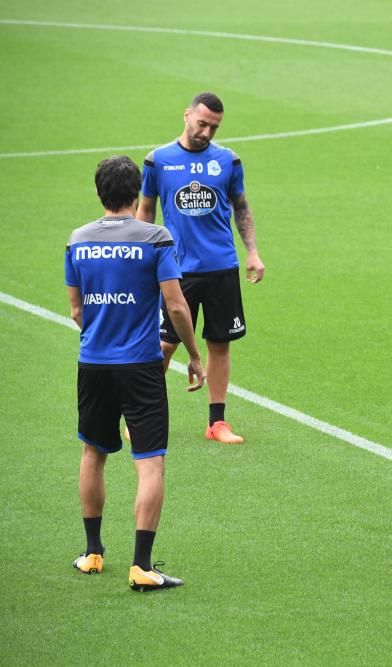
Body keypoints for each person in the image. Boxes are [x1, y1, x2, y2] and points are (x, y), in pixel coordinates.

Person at [65, 156, 205, 591]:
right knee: (150, 464)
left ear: (99, 193)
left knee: (93, 453)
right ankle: (142, 566)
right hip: (141, 367)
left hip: (93, 364)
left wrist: (105, 331)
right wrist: (194, 356)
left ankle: (92, 553)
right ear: (137, 192)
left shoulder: (78, 240)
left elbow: (76, 309)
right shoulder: (155, 238)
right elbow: (177, 306)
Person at [136, 92, 265, 445]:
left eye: (214, 127)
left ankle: (217, 423)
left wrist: (252, 252)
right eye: (202, 123)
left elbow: (241, 207)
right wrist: (142, 255)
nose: (207, 132)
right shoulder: (158, 160)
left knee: (220, 344)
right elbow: (145, 210)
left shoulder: (228, 160)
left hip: (222, 266)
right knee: (163, 346)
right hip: (177, 270)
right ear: (187, 115)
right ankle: (140, 418)